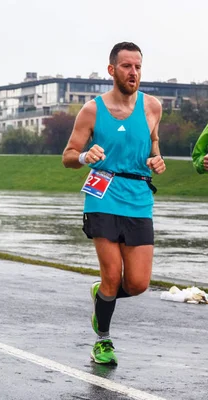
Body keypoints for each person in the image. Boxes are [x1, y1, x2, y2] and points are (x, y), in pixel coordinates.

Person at [62, 42, 166, 365]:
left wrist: (157, 159)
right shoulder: (92, 110)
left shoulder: (153, 107)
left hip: (138, 198)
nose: (133, 73)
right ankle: (103, 341)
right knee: (111, 273)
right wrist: (84, 155)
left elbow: (153, 145)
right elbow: (68, 156)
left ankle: (102, 296)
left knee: (137, 283)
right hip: (102, 195)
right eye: (126, 67)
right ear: (112, 70)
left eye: (137, 67)